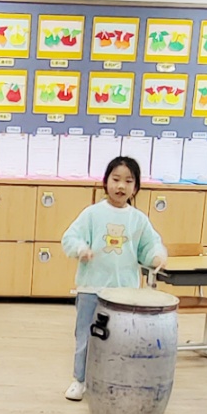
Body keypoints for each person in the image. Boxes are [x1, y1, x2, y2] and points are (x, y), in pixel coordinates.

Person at [59, 156, 167, 401]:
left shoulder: (138, 219)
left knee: (122, 340)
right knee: (85, 337)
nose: (121, 186)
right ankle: (79, 380)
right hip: (91, 289)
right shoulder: (92, 213)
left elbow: (150, 246)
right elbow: (70, 237)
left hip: (124, 293)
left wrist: (157, 256)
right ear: (105, 182)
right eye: (116, 179)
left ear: (136, 187)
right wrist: (80, 249)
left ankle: (116, 380)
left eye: (128, 181)